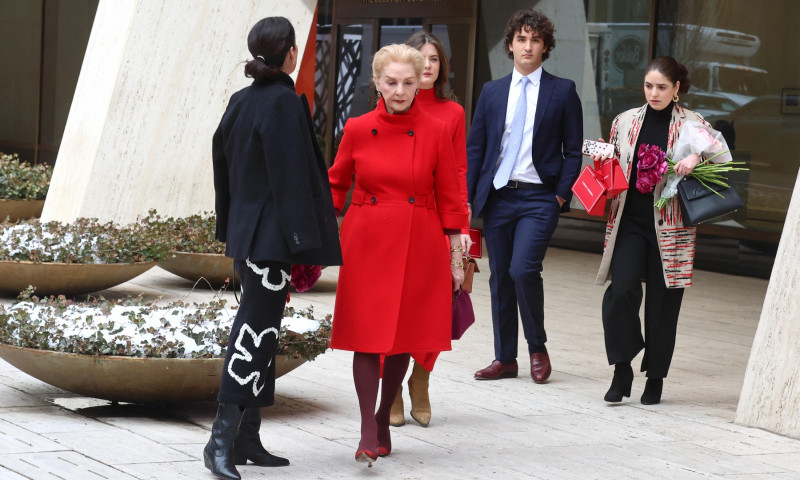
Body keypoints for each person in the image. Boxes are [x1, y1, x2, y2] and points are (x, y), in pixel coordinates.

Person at [207, 16, 342, 480]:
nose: (297, 52)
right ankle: (220, 440)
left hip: (249, 236)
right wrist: (306, 244)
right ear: (287, 52)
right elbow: (291, 179)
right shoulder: (284, 102)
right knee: (254, 333)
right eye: (295, 46)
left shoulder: (241, 100)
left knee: (264, 331)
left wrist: (230, 225)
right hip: (271, 240)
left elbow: (219, 162)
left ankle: (246, 438)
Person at [327, 43, 468, 467]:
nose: (401, 90)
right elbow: (336, 185)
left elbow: (450, 193)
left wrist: (458, 253)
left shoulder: (437, 128)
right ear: (377, 83)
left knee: (403, 338)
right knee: (367, 339)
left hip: (419, 239)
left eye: (409, 82)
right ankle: (369, 429)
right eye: (392, 82)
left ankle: (383, 419)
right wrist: (307, 240)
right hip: (366, 239)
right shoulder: (356, 127)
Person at [592, 56, 717, 405]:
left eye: (662, 87)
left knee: (664, 303)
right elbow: (615, 166)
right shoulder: (625, 121)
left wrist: (697, 158)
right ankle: (622, 368)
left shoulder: (693, 124)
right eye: (649, 86)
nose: (654, 93)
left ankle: (656, 377)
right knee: (621, 293)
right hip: (629, 221)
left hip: (671, 225)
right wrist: (602, 157)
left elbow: (722, 157)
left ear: (677, 88)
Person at [467, 9, 582, 383]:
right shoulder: (492, 91)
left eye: (535, 39)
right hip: (499, 196)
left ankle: (537, 346)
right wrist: (468, 199)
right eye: (521, 39)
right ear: (511, 45)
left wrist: (561, 196)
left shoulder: (562, 91)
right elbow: (477, 149)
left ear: (545, 46)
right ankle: (505, 359)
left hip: (539, 199)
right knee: (500, 277)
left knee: (523, 269)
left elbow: (573, 150)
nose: (528, 46)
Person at [386, 30, 473, 429]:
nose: (428, 65)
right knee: (394, 307)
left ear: (440, 67)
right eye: (421, 58)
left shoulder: (452, 113)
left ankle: (420, 379)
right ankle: (391, 389)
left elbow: (457, 171)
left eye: (434, 59)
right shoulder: (391, 108)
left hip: (440, 221)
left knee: (435, 308)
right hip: (396, 222)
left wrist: (461, 228)